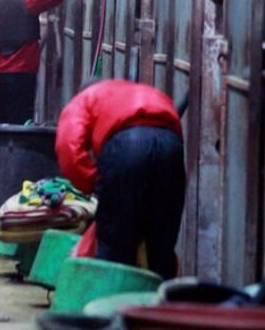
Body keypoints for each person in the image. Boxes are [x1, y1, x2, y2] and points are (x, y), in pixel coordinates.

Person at [55, 79, 185, 279]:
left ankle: (110, 303)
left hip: (126, 146)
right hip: (171, 148)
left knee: (115, 241)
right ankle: (160, 306)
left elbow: (68, 148)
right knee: (162, 242)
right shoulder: (141, 91)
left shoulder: (85, 99)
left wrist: (95, 184)